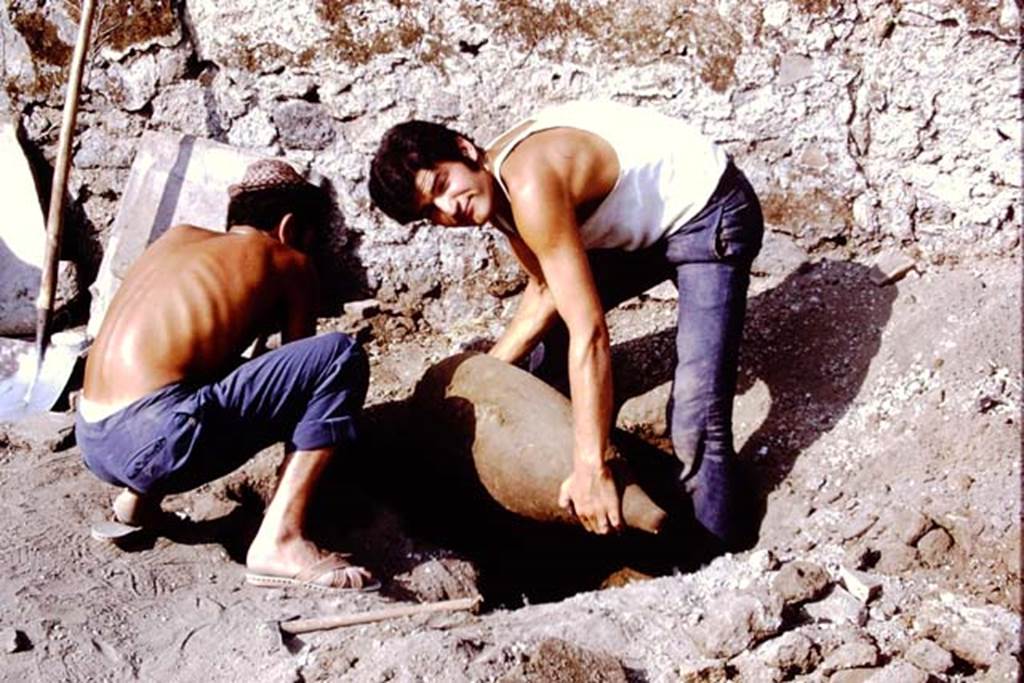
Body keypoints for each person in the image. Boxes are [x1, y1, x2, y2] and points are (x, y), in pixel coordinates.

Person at [369, 100, 763, 550]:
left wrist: (590, 463)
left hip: (709, 214)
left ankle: (719, 554)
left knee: (696, 415)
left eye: (442, 184)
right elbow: (545, 289)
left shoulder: (529, 184)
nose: (447, 208)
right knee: (541, 356)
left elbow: (590, 332)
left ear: (465, 150)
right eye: (430, 211)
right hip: (645, 232)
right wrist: (489, 371)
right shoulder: (494, 198)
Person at [76, 159, 378, 591]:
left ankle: (137, 502)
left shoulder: (176, 239)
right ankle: (281, 538)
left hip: (93, 438)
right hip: (153, 441)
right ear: (290, 228)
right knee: (339, 356)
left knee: (190, 367)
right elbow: (303, 381)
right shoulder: (288, 258)